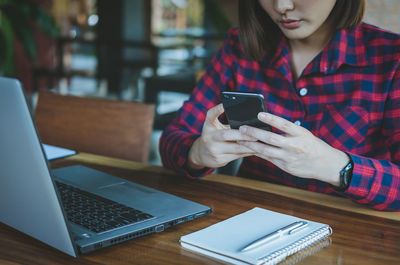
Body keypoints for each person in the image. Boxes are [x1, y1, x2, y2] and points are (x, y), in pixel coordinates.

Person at [159, 0, 400, 211]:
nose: (281, 6)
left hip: (352, 234)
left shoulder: (391, 57)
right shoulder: (239, 45)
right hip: (249, 218)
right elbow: (171, 139)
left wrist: (339, 167)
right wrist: (198, 153)